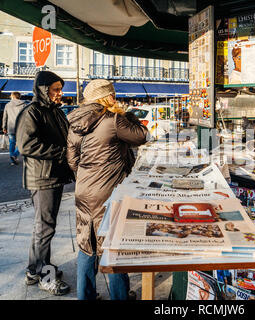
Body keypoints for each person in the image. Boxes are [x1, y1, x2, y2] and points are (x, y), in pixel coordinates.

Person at [66, 79, 148, 300]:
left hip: (83, 190)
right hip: (108, 192)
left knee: (87, 243)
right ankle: (120, 296)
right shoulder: (113, 120)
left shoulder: (75, 122)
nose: (115, 98)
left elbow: (72, 161)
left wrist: (88, 176)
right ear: (107, 97)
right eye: (113, 95)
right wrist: (127, 116)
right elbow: (141, 135)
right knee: (113, 246)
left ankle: (86, 295)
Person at [15, 71, 74, 295]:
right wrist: (62, 153)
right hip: (42, 178)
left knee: (43, 227)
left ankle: (33, 269)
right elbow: (27, 145)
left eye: (60, 89)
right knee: (45, 228)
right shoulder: (31, 112)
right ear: (43, 90)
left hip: (53, 175)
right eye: (55, 89)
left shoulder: (55, 112)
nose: (60, 93)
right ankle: (44, 275)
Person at [2, 92, 25, 165]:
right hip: (20, 127)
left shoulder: (7, 105)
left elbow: (5, 117)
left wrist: (4, 127)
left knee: (12, 143)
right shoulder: (24, 105)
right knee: (21, 143)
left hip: (10, 127)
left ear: (12, 96)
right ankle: (14, 155)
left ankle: (12, 160)